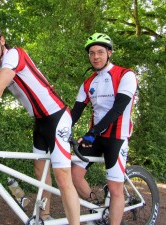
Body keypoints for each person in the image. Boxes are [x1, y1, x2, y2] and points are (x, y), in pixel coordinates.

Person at [0, 21, 80, 224]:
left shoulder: (14, 55)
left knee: (63, 178)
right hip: (40, 122)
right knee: (40, 174)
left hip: (57, 116)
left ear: (2, 40)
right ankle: (45, 218)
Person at [71, 33, 138, 225]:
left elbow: (118, 108)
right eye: (91, 53)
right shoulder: (88, 82)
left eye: (100, 52)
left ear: (109, 53)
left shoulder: (126, 75)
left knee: (115, 188)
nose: (95, 57)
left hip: (117, 137)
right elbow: (75, 112)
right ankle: (99, 208)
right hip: (96, 136)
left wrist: (93, 132)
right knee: (74, 174)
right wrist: (59, 129)